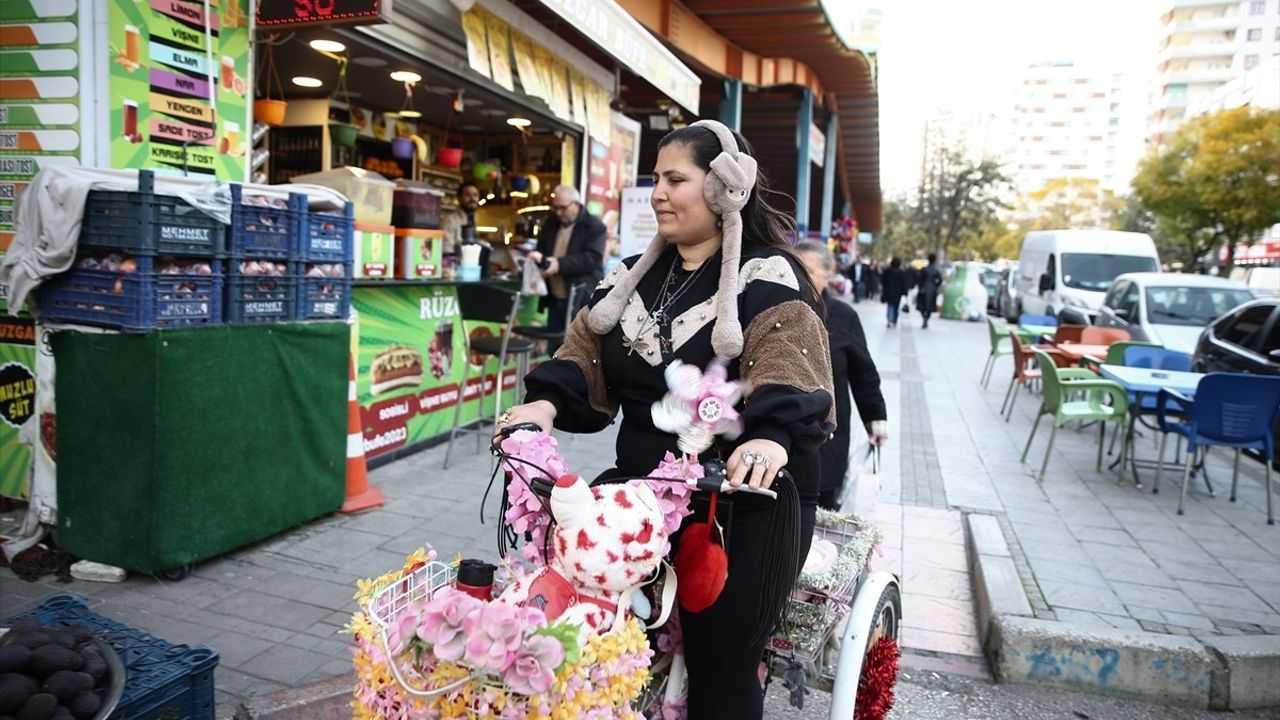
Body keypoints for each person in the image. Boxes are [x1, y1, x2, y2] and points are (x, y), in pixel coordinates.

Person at [497, 120, 835, 720]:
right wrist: (543, 406)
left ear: (725, 187)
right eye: (656, 178)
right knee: (592, 638)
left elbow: (789, 370)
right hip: (641, 495)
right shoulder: (629, 276)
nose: (658, 193)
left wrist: (768, 437)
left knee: (720, 666)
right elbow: (582, 354)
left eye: (676, 179)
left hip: (740, 502)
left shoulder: (770, 277)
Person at [796, 242, 889, 510]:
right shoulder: (778, 309)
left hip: (829, 431)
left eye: (809, 271)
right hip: (786, 430)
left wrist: (876, 419)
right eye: (794, 268)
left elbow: (864, 373)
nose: (800, 277)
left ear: (828, 275)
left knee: (823, 503)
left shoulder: (843, 316)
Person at [527, 184, 606, 353]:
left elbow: (591, 259)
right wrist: (537, 261)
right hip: (554, 295)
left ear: (576, 204)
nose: (558, 212)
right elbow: (542, 251)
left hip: (580, 297)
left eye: (562, 208)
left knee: (577, 350)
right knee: (553, 349)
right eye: (555, 207)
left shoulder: (594, 226)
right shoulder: (551, 223)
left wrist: (558, 264)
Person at [439, 181, 481, 256]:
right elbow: (447, 250)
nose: (472, 199)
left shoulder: (474, 219)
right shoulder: (450, 220)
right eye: (467, 195)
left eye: (475, 195)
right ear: (459, 198)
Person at [917, 252, 944, 329]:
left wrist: (920, 286)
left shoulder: (924, 269)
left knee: (922, 306)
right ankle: (926, 318)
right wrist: (936, 286)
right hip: (932, 290)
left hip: (924, 289)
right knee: (929, 306)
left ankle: (924, 318)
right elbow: (940, 280)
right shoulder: (936, 270)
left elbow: (919, 279)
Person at [881, 257, 908, 327]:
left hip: (889, 291)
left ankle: (889, 319)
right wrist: (905, 292)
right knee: (896, 306)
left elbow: (883, 281)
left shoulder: (887, 271)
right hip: (897, 293)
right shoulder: (901, 272)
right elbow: (903, 283)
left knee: (890, 305)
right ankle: (894, 319)